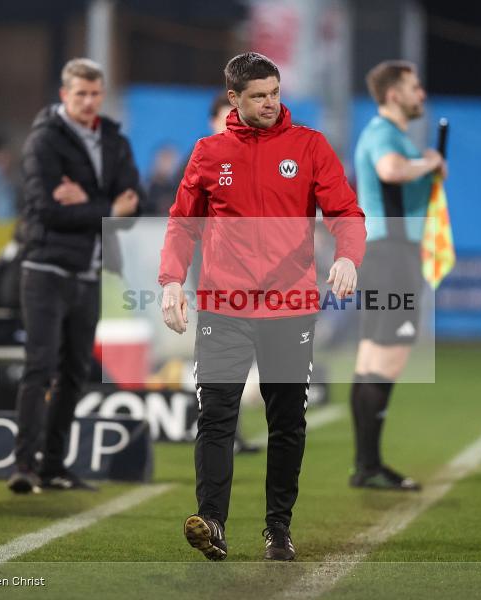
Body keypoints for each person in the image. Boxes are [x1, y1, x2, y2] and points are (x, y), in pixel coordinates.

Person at [159, 52, 365, 561]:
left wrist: (348, 258)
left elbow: (346, 212)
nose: (271, 103)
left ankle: (278, 528)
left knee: (288, 421)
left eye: (275, 93)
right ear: (234, 98)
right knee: (217, 417)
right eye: (259, 96)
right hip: (224, 308)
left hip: (290, 307)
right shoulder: (209, 153)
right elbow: (182, 224)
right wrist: (169, 282)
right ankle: (212, 521)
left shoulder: (310, 146)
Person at [8, 58, 143, 494]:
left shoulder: (115, 140)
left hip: (90, 271)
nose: (88, 101)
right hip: (46, 269)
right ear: (64, 95)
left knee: (74, 373)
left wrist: (87, 201)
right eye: (80, 93)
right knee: (40, 367)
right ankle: (24, 466)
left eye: (95, 93)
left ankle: (53, 464)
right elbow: (45, 210)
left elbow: (132, 207)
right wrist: (105, 208)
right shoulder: (44, 140)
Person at [349, 60, 447, 491]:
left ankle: (366, 465)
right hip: (391, 257)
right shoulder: (384, 134)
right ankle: (368, 467)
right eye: (414, 86)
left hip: (382, 255)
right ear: (394, 94)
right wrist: (429, 163)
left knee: (372, 358)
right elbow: (390, 170)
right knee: (386, 359)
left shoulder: (389, 134)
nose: (421, 93)